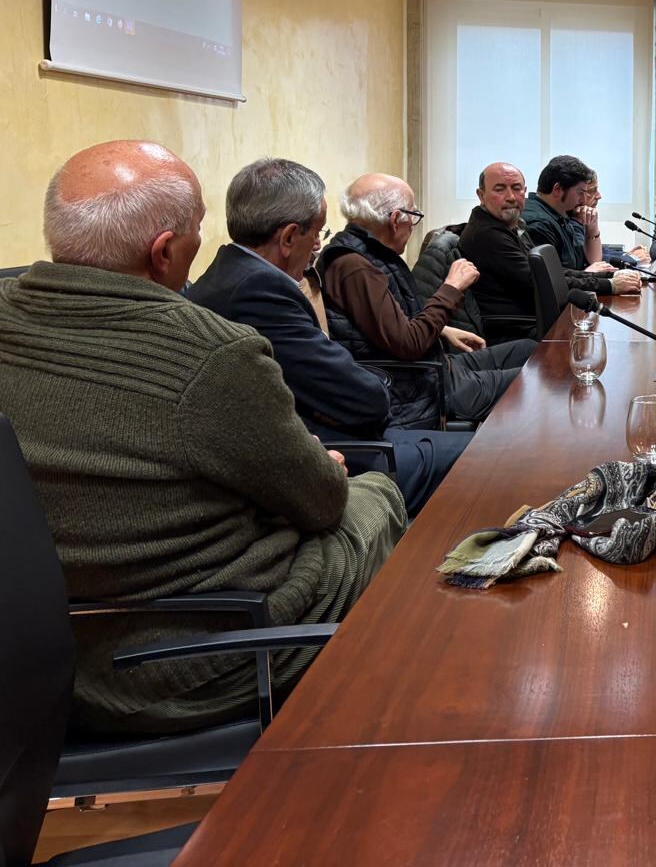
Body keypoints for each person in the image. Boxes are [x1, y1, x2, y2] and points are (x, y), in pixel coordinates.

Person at [0, 141, 405, 734]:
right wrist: (318, 463)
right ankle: (351, 752)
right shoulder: (213, 351)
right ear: (164, 252)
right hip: (178, 659)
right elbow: (321, 502)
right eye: (196, 231)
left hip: (32, 660)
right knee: (376, 495)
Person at [188, 159, 469, 516]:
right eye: (317, 233)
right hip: (328, 457)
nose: (319, 246)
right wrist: (379, 384)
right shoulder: (259, 290)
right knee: (483, 459)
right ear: (289, 237)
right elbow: (364, 398)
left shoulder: (228, 273)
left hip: (320, 440)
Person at [318, 173, 535, 426]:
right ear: (396, 219)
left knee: (530, 349)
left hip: (434, 367)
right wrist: (451, 288)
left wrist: (443, 329)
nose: (413, 225)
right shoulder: (357, 267)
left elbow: (386, 323)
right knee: (540, 377)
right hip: (419, 389)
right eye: (413, 216)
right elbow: (409, 343)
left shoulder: (368, 254)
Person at [519, 156, 643, 295]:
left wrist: (592, 227)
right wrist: (606, 282)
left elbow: (591, 262)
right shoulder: (538, 224)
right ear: (557, 190)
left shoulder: (560, 215)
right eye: (580, 193)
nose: (584, 200)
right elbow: (551, 281)